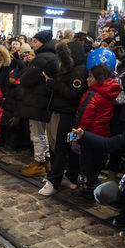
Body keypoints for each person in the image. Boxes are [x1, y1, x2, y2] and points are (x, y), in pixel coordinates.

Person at [38, 41, 88, 196]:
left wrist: (53, 84)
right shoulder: (70, 69)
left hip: (68, 116)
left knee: (61, 147)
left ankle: (55, 180)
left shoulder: (78, 71)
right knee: (63, 147)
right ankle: (69, 177)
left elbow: (73, 93)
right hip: (62, 113)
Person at [74, 63, 120, 195]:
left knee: (87, 163)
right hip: (102, 134)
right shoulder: (109, 91)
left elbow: (83, 117)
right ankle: (92, 186)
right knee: (96, 163)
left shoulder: (93, 93)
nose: (87, 80)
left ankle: (87, 190)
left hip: (88, 134)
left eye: (90, 77)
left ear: (98, 78)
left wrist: (74, 136)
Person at [20, 33, 58, 177]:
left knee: (37, 133)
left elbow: (27, 78)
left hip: (37, 100)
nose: (33, 44)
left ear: (43, 42)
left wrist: (26, 71)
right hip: (42, 100)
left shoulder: (43, 58)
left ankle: (39, 163)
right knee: (42, 133)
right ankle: (46, 160)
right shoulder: (51, 56)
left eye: (35, 42)